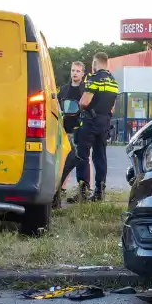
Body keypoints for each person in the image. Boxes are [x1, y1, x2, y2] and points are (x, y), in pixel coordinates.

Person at [68, 52, 118, 203]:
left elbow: (84, 102)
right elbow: (112, 108)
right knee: (100, 156)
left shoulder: (94, 79)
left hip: (90, 121)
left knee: (82, 155)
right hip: (105, 122)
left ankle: (83, 191)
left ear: (95, 63)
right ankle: (99, 191)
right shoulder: (113, 81)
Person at [55, 61, 88, 204]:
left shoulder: (86, 90)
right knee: (65, 158)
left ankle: (84, 188)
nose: (74, 73)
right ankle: (61, 188)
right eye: (73, 70)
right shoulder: (63, 89)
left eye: (78, 71)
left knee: (82, 159)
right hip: (64, 129)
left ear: (82, 74)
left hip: (80, 129)